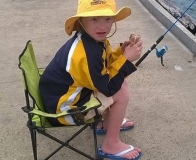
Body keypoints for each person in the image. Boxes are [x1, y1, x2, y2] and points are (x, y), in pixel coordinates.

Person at [39, 0, 143, 159]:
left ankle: (106, 124)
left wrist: (121, 53)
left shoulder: (92, 40)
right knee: (120, 92)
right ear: (81, 20)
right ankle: (111, 145)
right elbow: (108, 87)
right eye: (94, 19)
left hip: (64, 98)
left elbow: (104, 66)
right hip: (65, 110)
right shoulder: (85, 54)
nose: (102, 26)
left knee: (120, 82)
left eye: (107, 19)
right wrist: (127, 61)